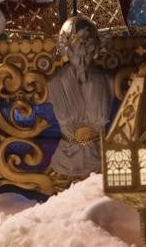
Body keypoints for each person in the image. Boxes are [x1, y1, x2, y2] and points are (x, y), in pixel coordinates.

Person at [46, 16, 115, 181]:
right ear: (67, 51)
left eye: (88, 54)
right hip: (64, 168)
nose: (82, 60)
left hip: (102, 167)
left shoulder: (109, 81)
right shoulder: (53, 84)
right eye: (77, 54)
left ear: (95, 51)